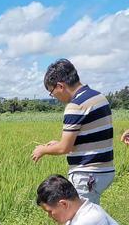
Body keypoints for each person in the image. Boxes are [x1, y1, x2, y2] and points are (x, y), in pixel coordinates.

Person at [32, 59, 114, 204]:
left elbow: (65, 148)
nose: (55, 97)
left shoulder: (75, 105)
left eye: (52, 92)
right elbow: (90, 137)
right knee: (91, 216)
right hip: (105, 170)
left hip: (87, 174)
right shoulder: (99, 97)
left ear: (60, 86)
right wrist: (58, 143)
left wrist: (43, 150)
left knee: (80, 219)